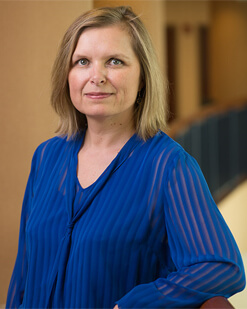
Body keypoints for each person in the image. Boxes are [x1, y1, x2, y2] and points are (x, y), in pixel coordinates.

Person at [6, 6, 245, 309]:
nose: (97, 76)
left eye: (115, 61)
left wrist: (137, 304)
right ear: (67, 76)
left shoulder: (168, 166)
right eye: (82, 62)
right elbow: (23, 273)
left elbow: (222, 268)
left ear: (143, 77)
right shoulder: (46, 157)